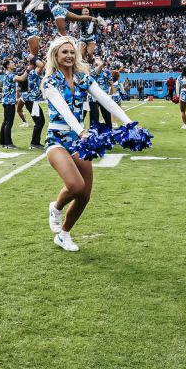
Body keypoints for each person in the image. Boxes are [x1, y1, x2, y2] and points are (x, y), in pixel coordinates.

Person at [41, 35, 136, 252]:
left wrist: (130, 123)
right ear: (55, 55)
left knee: (85, 195)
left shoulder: (84, 79)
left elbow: (106, 100)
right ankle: (56, 208)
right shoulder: (49, 82)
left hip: (79, 141)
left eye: (72, 52)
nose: (69, 55)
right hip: (58, 139)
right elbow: (63, 111)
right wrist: (81, 130)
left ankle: (64, 234)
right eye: (64, 52)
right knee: (75, 186)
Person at [0, 59, 26, 149]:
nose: (14, 64)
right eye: (12, 63)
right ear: (8, 66)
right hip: (9, 102)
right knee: (9, 123)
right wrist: (28, 70)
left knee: (5, 122)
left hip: (7, 101)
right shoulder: (10, 75)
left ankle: (2, 142)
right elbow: (22, 79)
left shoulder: (7, 74)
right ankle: (8, 143)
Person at [21, 57, 47, 150]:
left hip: (32, 100)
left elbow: (45, 65)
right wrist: (34, 58)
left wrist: (38, 57)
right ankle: (34, 143)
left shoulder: (33, 72)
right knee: (39, 121)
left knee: (40, 121)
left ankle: (35, 142)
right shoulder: (33, 72)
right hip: (31, 100)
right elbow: (42, 65)